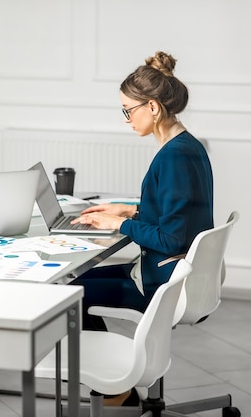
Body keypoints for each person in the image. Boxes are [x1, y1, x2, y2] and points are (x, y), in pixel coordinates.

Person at [68, 51, 214, 406]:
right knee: (76, 286)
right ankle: (116, 388)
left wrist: (121, 224)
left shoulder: (174, 157)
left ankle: (117, 389)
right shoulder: (186, 146)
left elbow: (171, 236)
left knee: (70, 296)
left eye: (127, 110)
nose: (126, 119)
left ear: (152, 107)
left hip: (163, 280)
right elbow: (176, 211)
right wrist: (128, 208)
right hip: (175, 273)